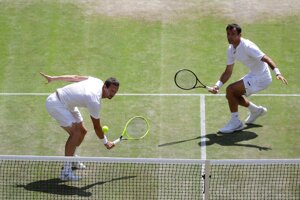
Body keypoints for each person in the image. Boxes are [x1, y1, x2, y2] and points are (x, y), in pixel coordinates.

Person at [209, 24, 288, 134]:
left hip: (261, 78)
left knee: (230, 90)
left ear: (240, 35)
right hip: (254, 75)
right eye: (228, 34)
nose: (230, 37)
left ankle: (235, 123)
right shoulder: (231, 49)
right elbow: (228, 71)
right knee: (231, 95)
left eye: (233, 34)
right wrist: (217, 86)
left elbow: (266, 58)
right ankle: (255, 110)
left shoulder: (248, 46)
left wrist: (277, 73)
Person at [40, 72, 119, 180]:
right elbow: (97, 127)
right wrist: (106, 142)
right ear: (105, 86)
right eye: (111, 91)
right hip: (56, 104)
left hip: (68, 104)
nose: (113, 94)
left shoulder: (98, 81)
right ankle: (66, 172)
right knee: (76, 133)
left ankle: (71, 158)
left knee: (82, 131)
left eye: (115, 92)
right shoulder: (94, 100)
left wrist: (54, 78)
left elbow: (75, 77)